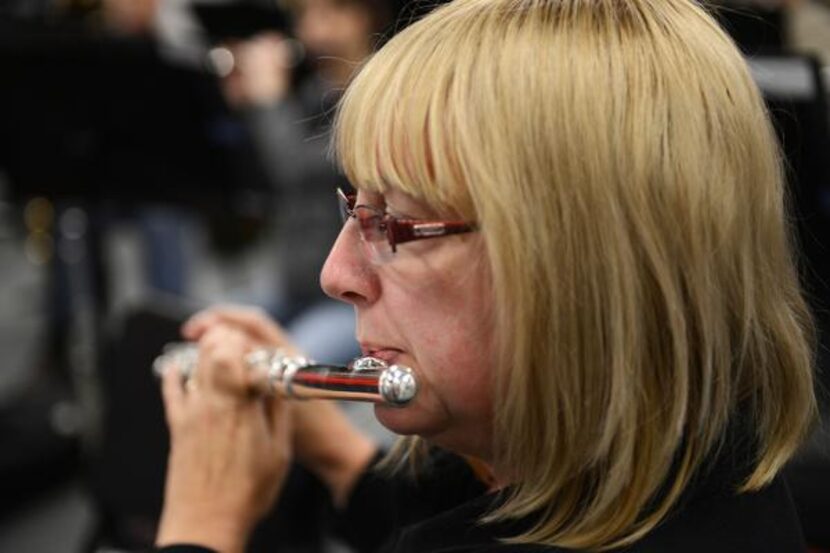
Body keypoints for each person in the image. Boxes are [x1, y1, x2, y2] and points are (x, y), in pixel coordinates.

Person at [151, 0, 818, 551]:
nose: (338, 272)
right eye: (357, 208)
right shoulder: (702, 454)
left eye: (398, 225)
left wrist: (200, 525)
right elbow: (480, 507)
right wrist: (331, 449)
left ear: (570, 271)